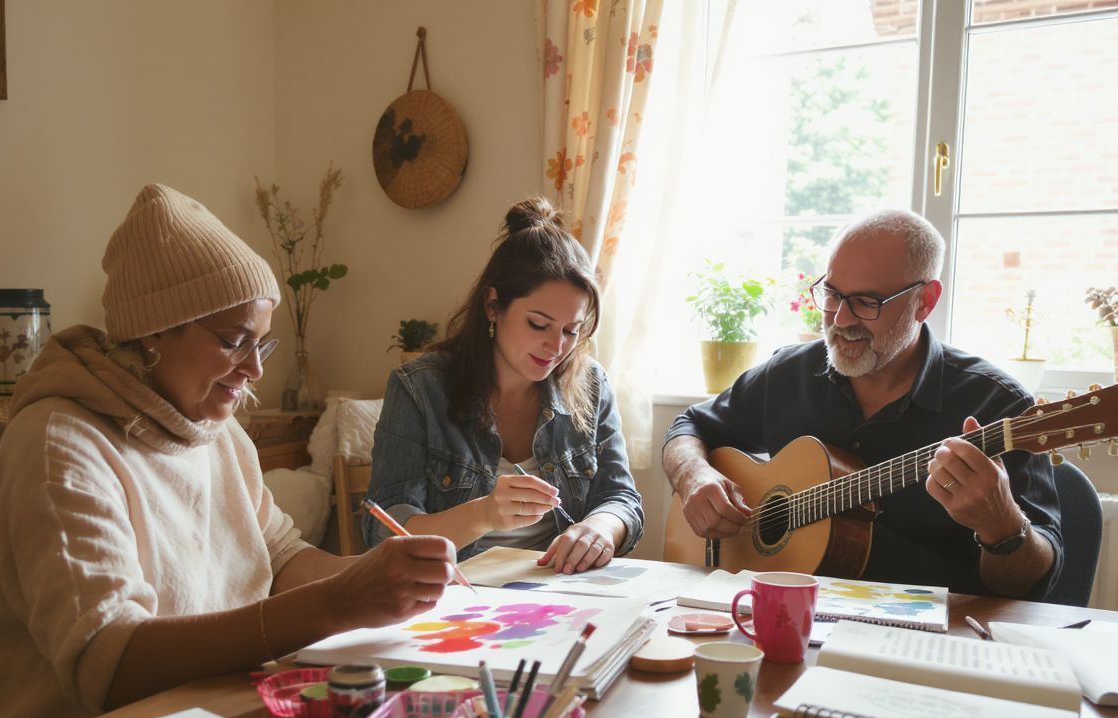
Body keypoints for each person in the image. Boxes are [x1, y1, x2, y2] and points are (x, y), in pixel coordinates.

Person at [0, 184, 459, 718]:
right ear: (153, 332)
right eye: (235, 341)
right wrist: (339, 603)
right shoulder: (60, 444)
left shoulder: (213, 430)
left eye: (262, 341)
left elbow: (281, 554)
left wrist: (375, 581)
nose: (256, 368)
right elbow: (109, 663)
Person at [663, 208, 1062, 598]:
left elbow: (1030, 583)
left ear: (924, 301)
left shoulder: (1000, 406)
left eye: (867, 302)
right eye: (833, 294)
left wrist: (1003, 527)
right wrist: (694, 475)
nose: (841, 319)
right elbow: (690, 426)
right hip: (787, 621)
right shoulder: (789, 373)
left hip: (934, 638)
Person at [363, 196, 643, 573]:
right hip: (453, 597)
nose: (556, 347)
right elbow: (385, 529)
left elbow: (621, 498)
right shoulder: (420, 388)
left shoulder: (591, 384)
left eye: (571, 331)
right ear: (493, 306)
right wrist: (482, 514)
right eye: (539, 325)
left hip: (559, 593)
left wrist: (600, 528)